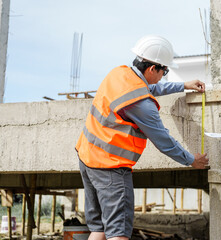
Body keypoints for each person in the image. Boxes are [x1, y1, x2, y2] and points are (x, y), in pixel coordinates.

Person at [75, 35, 209, 240]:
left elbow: (149, 88)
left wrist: (183, 85)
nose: (164, 76)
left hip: (87, 156)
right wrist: (191, 160)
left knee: (99, 228)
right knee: (118, 232)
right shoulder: (142, 104)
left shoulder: (119, 74)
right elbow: (163, 140)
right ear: (152, 68)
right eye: (164, 71)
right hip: (110, 166)